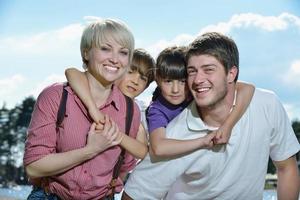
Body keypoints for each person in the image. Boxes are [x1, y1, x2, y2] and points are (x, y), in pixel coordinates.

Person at [123, 32, 300, 200]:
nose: (198, 79)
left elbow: (286, 168)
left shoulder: (266, 104)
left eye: (208, 70)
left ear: (231, 73)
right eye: (192, 71)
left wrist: (228, 125)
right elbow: (133, 195)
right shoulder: (174, 134)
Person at [24, 19, 142, 199]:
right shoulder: (55, 96)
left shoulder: (131, 111)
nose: (115, 59)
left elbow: (125, 167)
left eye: (123, 52)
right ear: (86, 52)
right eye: (105, 48)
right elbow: (34, 166)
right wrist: (90, 150)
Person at [146, 46, 254, 159]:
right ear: (157, 79)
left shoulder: (194, 95)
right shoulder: (157, 110)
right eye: (168, 81)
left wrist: (228, 126)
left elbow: (248, 89)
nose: (175, 90)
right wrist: (202, 142)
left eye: (182, 81)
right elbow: (158, 148)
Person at [65, 48, 155, 159]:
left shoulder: (136, 110)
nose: (135, 81)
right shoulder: (100, 90)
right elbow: (71, 72)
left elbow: (142, 151)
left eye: (143, 78)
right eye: (130, 72)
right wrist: (93, 109)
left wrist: (114, 133)